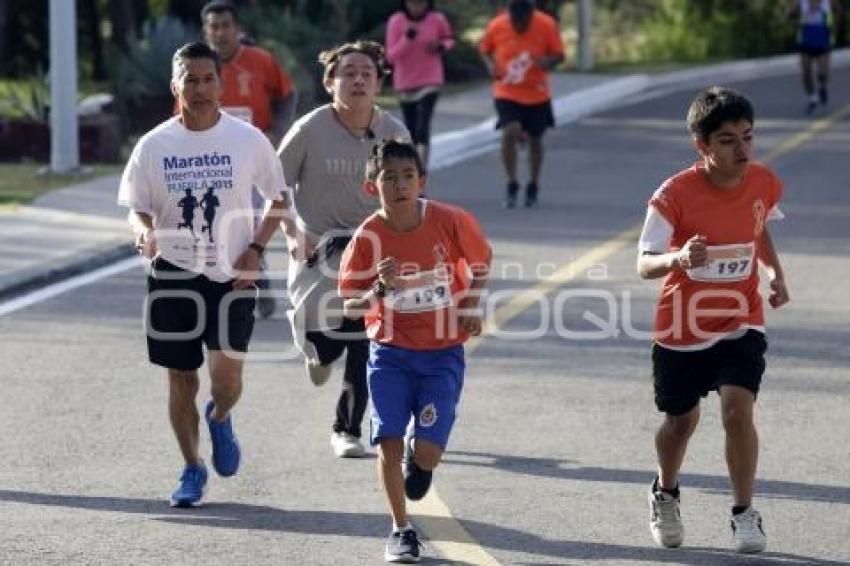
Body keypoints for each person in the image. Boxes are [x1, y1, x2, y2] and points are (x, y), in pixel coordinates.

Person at [118, 41, 296, 507]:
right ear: (175, 87)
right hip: (173, 274)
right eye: (189, 81)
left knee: (228, 381)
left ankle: (219, 417)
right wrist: (143, 234)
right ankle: (192, 467)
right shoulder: (154, 146)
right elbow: (136, 209)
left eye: (207, 79)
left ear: (220, 83)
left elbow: (278, 198)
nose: (199, 89)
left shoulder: (247, 139)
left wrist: (256, 250)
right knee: (181, 376)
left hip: (233, 275)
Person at [637, 87, 790, 554]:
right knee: (680, 422)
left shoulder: (762, 180)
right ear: (701, 146)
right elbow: (643, 263)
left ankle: (744, 513)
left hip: (740, 318)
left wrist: (773, 274)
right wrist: (679, 258)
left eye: (748, 137)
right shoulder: (673, 195)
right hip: (683, 325)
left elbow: (757, 230)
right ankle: (665, 491)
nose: (742, 150)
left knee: (737, 410)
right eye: (727, 141)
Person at [338, 140, 491, 563]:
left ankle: (419, 457)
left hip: (442, 353)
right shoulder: (368, 236)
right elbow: (350, 304)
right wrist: (379, 290)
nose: (400, 185)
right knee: (387, 442)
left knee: (428, 453)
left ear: (421, 181)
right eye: (389, 177)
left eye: (408, 177)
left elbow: (481, 261)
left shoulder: (448, 221)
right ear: (373, 185)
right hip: (389, 351)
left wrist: (471, 302)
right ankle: (401, 530)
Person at [277, 41, 409, 458]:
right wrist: (292, 232)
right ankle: (316, 351)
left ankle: (346, 428)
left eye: (366, 74)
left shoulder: (393, 132)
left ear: (378, 83)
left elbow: (411, 191)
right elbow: (272, 187)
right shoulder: (309, 130)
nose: (357, 80)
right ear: (329, 81)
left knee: (365, 337)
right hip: (319, 248)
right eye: (348, 73)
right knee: (327, 339)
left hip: (373, 249)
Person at [201, 0, 298, 318]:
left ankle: (258, 284)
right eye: (214, 26)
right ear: (206, 31)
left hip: (254, 159)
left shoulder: (259, 60)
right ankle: (240, 284)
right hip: (213, 162)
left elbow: (288, 95)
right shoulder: (198, 68)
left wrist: (278, 131)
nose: (221, 32)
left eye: (226, 25)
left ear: (237, 28)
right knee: (220, 225)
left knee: (251, 222)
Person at [479, 0, 564, 209]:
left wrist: (547, 62)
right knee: (510, 131)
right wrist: (491, 66)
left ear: (531, 15)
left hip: (537, 93)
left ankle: (533, 184)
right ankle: (512, 182)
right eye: (515, 23)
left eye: (523, 23)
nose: (519, 27)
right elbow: (484, 49)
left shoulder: (546, 24)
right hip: (506, 90)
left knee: (536, 140)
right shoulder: (497, 25)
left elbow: (559, 54)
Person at [386, 0, 454, 170]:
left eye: (421, 3)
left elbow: (449, 39)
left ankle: (421, 172)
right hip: (405, 83)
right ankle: (412, 167)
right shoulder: (396, 21)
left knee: (423, 127)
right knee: (411, 131)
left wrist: (440, 46)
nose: (417, 7)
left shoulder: (437, 19)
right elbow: (391, 56)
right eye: (413, 3)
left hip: (430, 79)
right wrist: (407, 39)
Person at [788, 0, 842, 114]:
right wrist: (796, 23)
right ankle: (812, 97)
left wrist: (834, 29)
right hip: (805, 41)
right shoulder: (801, 3)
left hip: (823, 40)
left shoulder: (828, 2)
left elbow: (839, 12)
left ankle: (822, 87)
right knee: (806, 70)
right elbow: (790, 16)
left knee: (822, 73)